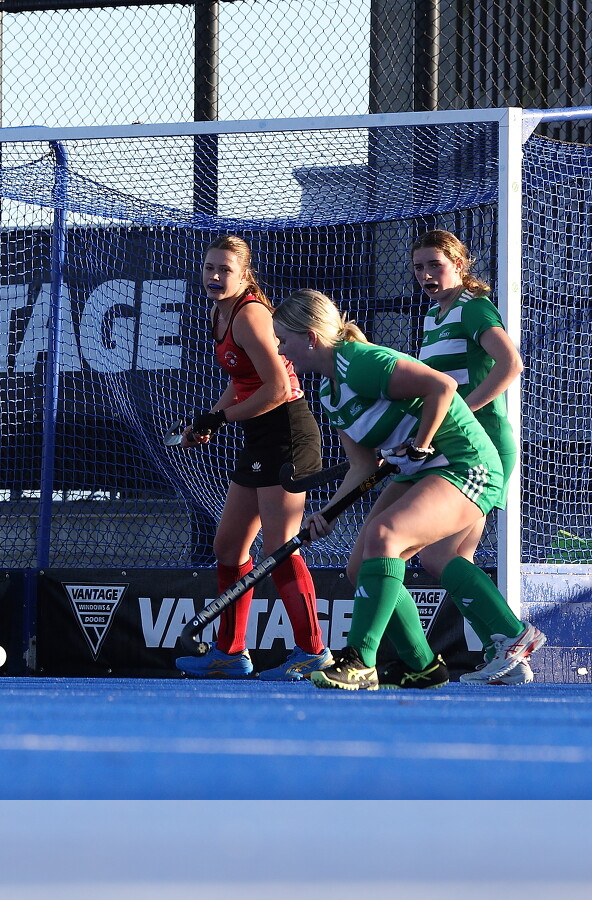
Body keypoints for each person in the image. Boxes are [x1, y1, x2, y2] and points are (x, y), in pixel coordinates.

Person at [272, 288, 540, 690]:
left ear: (310, 337)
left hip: (466, 463)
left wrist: (420, 443)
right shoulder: (329, 393)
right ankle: (422, 666)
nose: (280, 350)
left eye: (284, 340)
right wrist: (327, 513)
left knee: (386, 536)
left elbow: (442, 387)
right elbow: (363, 467)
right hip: (422, 470)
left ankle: (360, 659)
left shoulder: (361, 364)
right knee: (359, 567)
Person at [172, 236, 331, 681]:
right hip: (259, 439)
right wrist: (208, 419)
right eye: (209, 268)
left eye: (225, 270)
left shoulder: (250, 315)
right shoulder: (218, 312)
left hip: (288, 435)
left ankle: (313, 652)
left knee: (279, 547)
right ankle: (230, 652)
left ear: (244, 275)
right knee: (228, 546)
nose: (214, 276)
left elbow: (277, 389)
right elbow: (243, 381)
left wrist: (220, 418)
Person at [409, 229, 536, 685]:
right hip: (460, 448)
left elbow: (511, 364)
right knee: (455, 556)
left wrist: (462, 411)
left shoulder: (473, 307)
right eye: (418, 267)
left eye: (435, 265)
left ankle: (513, 634)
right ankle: (503, 656)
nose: (426, 275)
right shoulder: (434, 314)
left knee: (437, 555)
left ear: (460, 265)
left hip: (484, 448)